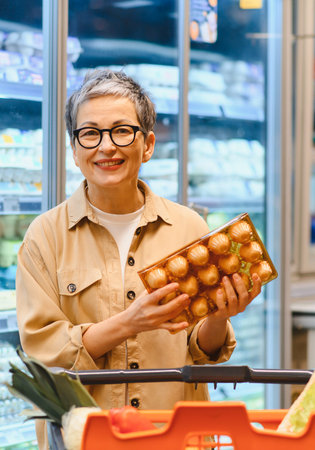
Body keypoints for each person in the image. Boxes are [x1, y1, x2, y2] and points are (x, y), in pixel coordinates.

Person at [16, 69, 261, 448]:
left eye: (121, 131)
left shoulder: (188, 227)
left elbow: (203, 351)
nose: (106, 146)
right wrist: (128, 324)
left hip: (177, 437)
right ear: (75, 149)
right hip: (86, 439)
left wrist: (219, 315)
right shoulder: (45, 237)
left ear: (147, 145)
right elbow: (44, 353)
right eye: (91, 133)